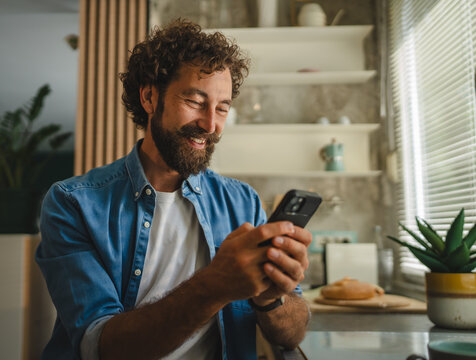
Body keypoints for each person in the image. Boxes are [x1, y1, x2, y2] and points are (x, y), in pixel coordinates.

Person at [36, 19, 311, 360]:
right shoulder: (72, 203)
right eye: (195, 101)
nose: (210, 124)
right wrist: (215, 285)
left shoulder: (243, 203)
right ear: (150, 97)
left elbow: (292, 335)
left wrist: (271, 297)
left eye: (222, 107)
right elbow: (101, 347)